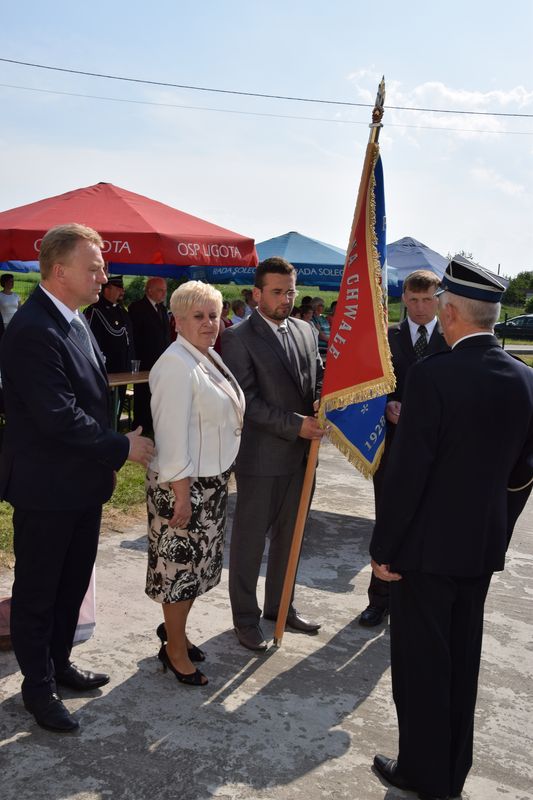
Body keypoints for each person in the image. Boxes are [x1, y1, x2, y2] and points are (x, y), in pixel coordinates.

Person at [369, 255, 533, 800]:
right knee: (463, 663)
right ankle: (451, 773)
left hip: (424, 553)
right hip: (478, 550)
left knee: (421, 668)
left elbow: (408, 476)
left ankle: (422, 772)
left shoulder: (433, 376)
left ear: (453, 314)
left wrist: (384, 547)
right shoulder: (524, 379)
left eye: (441, 307)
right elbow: (522, 476)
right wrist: (496, 530)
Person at [0, 223, 154, 733]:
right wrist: (121, 446)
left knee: (71, 584)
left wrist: (113, 433)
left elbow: (89, 396)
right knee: (39, 591)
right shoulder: (32, 330)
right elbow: (57, 416)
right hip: (46, 490)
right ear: (60, 270)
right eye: (95, 268)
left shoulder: (74, 318)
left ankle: (59, 663)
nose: (104, 276)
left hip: (81, 485)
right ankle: (36, 688)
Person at [222, 257, 324, 652]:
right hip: (262, 458)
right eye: (278, 292)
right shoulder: (237, 337)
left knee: (291, 537)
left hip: (303, 457)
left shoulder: (305, 329)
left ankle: (281, 608)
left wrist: (320, 401)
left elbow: (314, 375)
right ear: (257, 294)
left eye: (291, 291)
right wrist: (294, 424)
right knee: (250, 542)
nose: (286, 299)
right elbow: (245, 400)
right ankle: (245, 620)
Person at [145, 281, 245, 686]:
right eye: (198, 316)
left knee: (197, 571)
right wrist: (182, 496)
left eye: (214, 316)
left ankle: (176, 633)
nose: (208, 323)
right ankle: (174, 650)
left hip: (209, 482)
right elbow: (170, 438)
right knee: (180, 573)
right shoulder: (175, 364)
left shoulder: (207, 356)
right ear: (178, 321)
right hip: (183, 486)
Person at [360, 270, 448, 627]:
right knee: (389, 523)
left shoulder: (452, 337)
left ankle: (417, 600)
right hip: (393, 450)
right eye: (413, 300)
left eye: (428, 300)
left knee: (431, 526)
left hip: (438, 453)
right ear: (403, 301)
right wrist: (385, 405)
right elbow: (369, 383)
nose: (421, 307)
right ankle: (379, 599)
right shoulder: (386, 337)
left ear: (439, 301)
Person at [128, 277, 171, 434]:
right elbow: (135, 336)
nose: (164, 293)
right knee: (143, 395)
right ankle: (141, 425)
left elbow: (165, 334)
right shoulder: (137, 308)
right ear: (149, 290)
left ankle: (156, 423)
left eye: (165, 290)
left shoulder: (162, 309)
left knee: (159, 394)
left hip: (162, 359)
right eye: (160, 290)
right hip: (145, 359)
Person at [310, 297, 330, 361]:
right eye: (321, 305)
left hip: (327, 349)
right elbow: (319, 334)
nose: (323, 307)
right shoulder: (312, 319)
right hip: (319, 350)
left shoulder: (323, 318)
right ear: (315, 306)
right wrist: (331, 341)